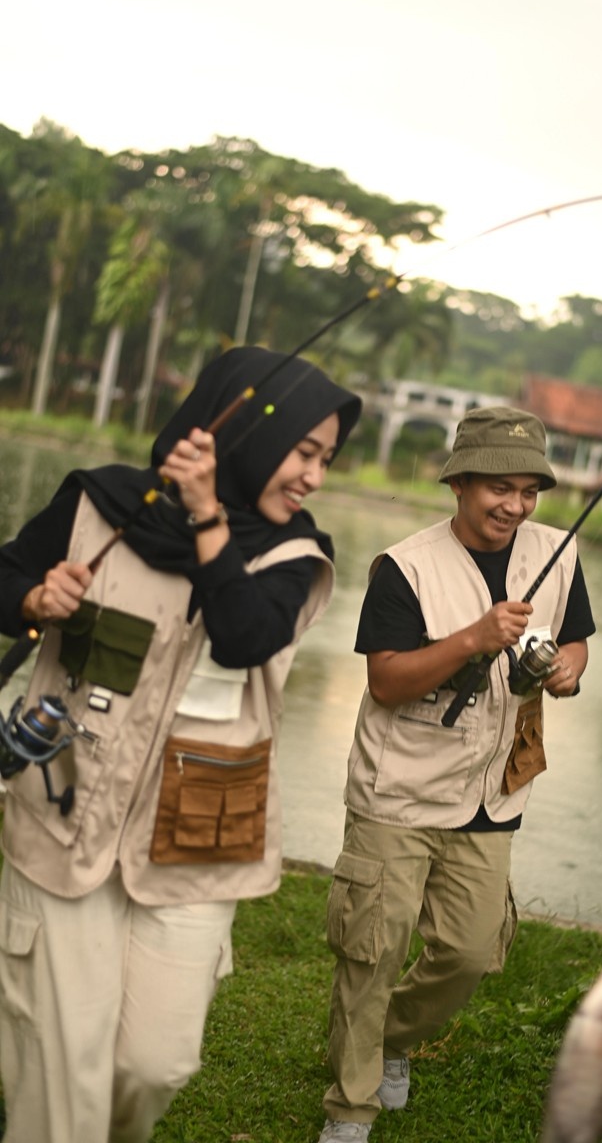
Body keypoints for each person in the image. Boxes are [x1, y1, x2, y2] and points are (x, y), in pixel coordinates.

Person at [0, 345, 361, 1143]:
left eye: (325, 460)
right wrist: (33, 596)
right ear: (251, 435)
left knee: (153, 1065)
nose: (313, 476)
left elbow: (243, 636)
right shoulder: (98, 504)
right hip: (65, 809)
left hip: (200, 832)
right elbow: (7, 577)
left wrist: (207, 519)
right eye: (304, 452)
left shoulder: (294, 557)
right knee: (65, 1067)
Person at [318, 405, 595, 1142]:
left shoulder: (558, 552)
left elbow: (574, 640)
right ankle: (349, 1109)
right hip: (398, 791)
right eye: (498, 488)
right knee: (372, 952)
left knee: (470, 952)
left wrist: (567, 669)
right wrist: (472, 638)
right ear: (459, 483)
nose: (515, 506)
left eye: (528, 491)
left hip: (492, 795)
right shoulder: (403, 568)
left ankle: (390, 1038)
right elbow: (386, 682)